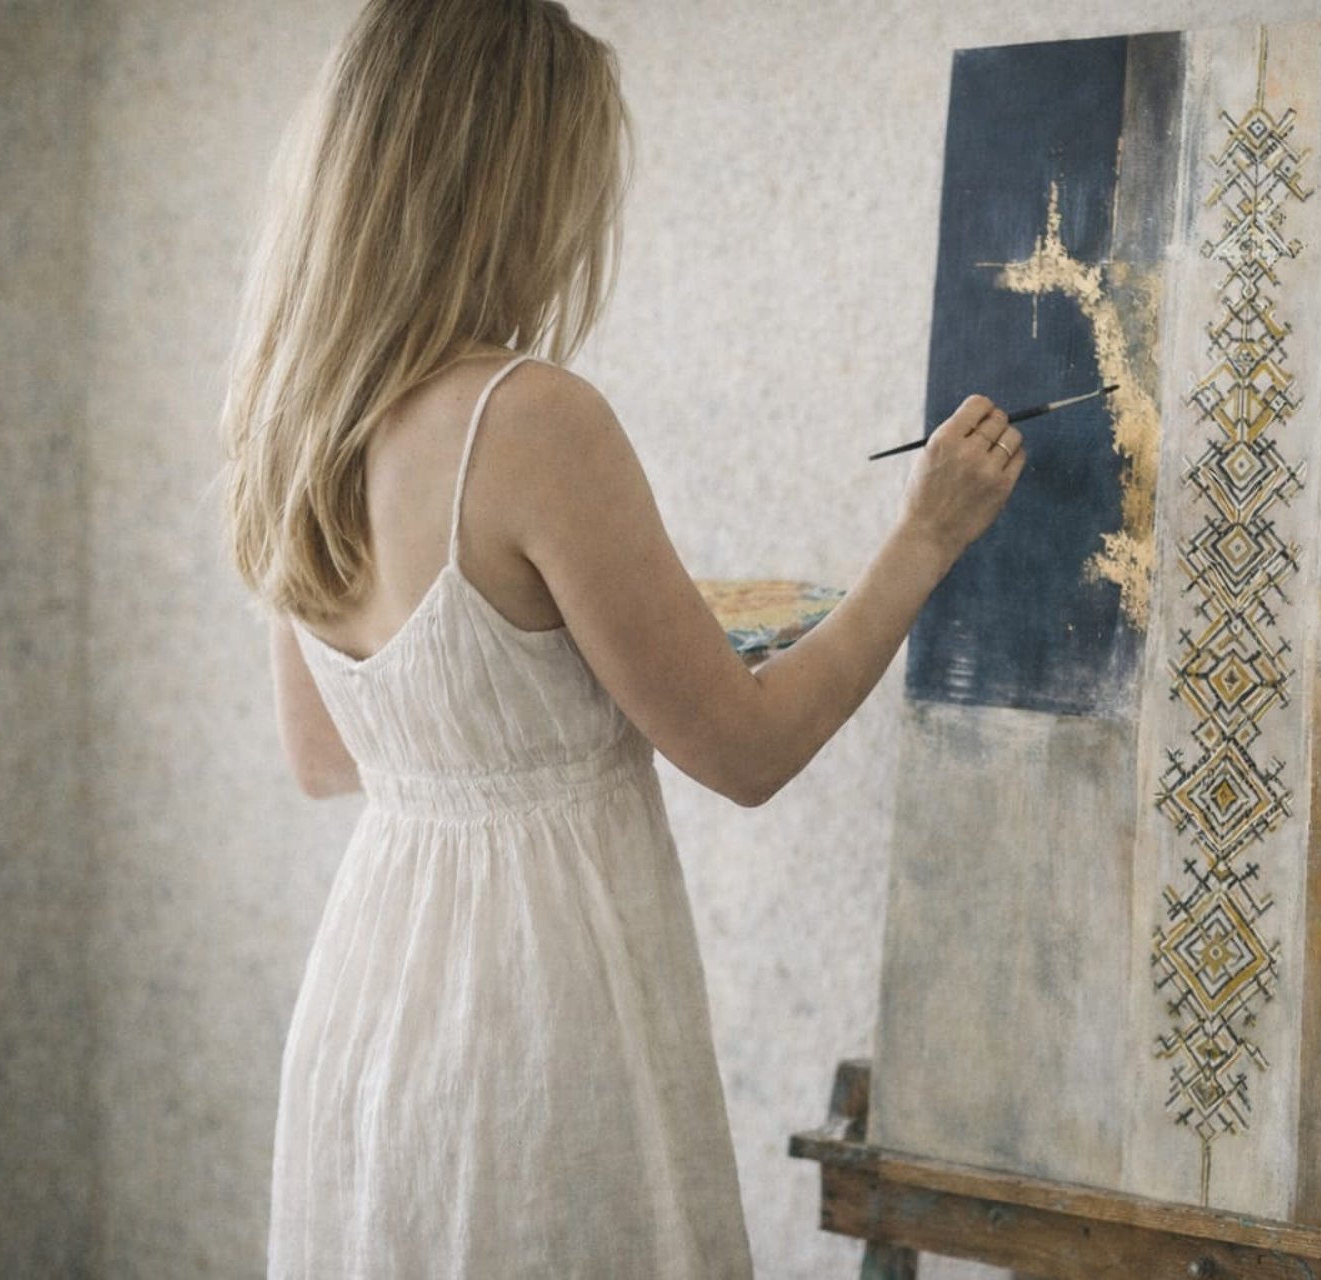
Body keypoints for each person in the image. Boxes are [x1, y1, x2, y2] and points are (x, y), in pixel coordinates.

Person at [216, 1, 1023, 1275]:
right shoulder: (528, 418)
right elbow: (748, 753)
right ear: (508, 177)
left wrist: (542, 685)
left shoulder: (296, 416)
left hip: (376, 991)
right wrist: (926, 534)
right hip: (537, 991)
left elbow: (328, 753)